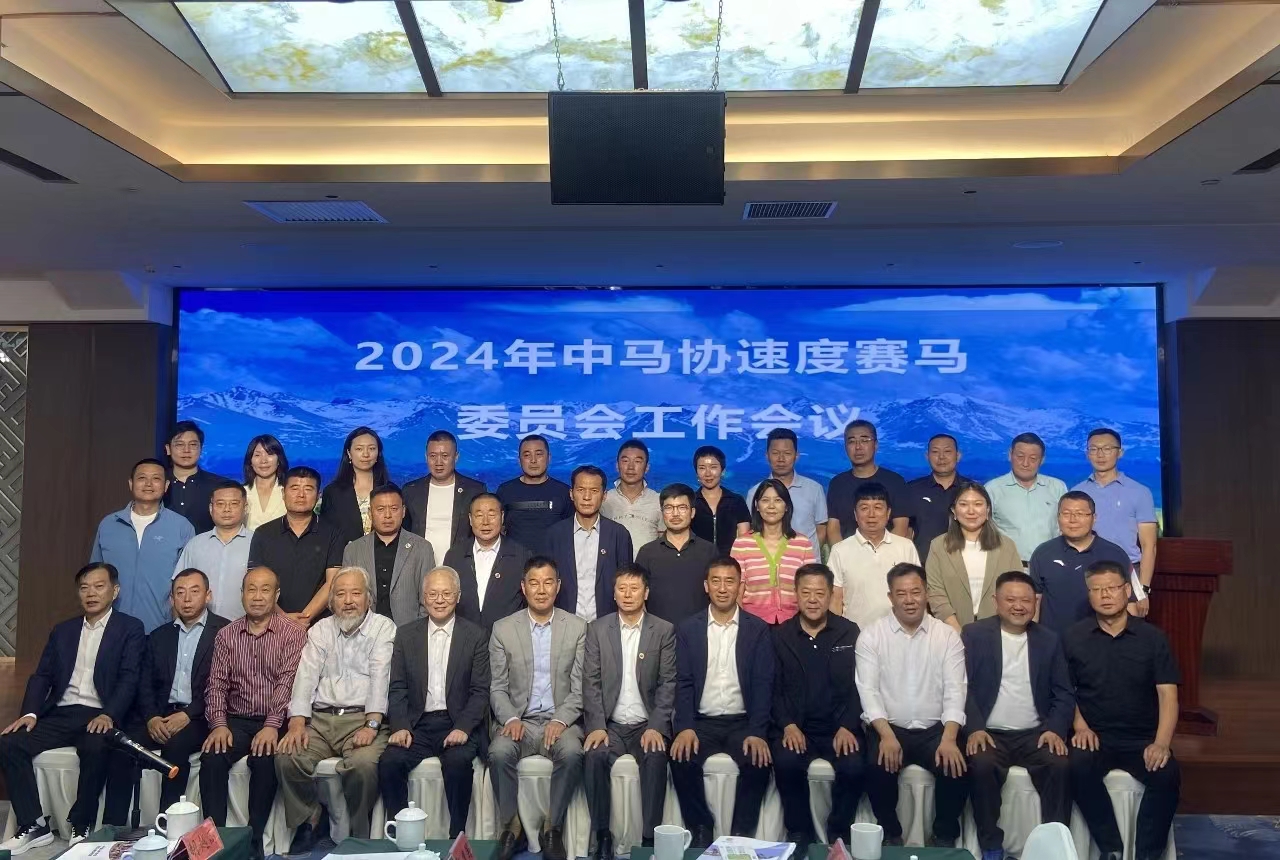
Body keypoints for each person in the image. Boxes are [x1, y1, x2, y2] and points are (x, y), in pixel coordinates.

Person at [0, 563, 145, 853]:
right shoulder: (63, 630)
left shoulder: (130, 628)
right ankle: (33, 825)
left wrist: (109, 714)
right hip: (62, 712)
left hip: (99, 713)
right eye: (84, 588)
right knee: (9, 742)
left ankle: (82, 823)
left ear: (115, 591)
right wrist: (30, 713)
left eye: (99, 586)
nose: (91, 593)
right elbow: (42, 675)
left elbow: (130, 678)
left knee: (96, 746)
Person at [1066, 561, 1180, 860]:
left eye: (1112, 588)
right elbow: (1066, 690)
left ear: (1127, 590)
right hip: (1095, 736)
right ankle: (1111, 848)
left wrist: (1161, 743)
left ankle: (1147, 854)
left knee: (1167, 775)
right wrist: (1080, 726)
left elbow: (1168, 694)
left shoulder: (1153, 638)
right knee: (1076, 767)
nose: (1105, 595)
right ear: (1089, 595)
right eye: (1097, 589)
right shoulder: (1073, 637)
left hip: (1142, 737)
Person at [276, 567, 396, 848]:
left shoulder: (383, 627)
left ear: (368, 598)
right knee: (287, 756)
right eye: (340, 594)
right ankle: (309, 819)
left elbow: (381, 676)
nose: (348, 601)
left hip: (361, 719)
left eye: (356, 593)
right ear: (331, 602)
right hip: (320, 720)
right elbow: (306, 676)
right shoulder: (320, 630)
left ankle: (358, 832)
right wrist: (297, 721)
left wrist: (372, 724)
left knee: (363, 765)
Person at [103, 569, 231, 826]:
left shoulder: (225, 632)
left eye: (194, 591)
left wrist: (188, 714)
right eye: (180, 593)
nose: (187, 599)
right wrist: (152, 717)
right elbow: (144, 684)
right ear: (172, 599)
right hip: (161, 715)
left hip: (200, 717)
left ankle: (168, 827)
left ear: (208, 595)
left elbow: (223, 685)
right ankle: (112, 827)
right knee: (123, 747)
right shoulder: (159, 636)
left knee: (176, 745)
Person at [962, 572, 1074, 860]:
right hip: (990, 733)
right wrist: (974, 727)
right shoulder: (974, 635)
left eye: (1026, 600)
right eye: (1010, 599)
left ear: (1035, 602)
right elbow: (962, 687)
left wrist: (1055, 729)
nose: (1019, 606)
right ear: (995, 601)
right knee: (981, 765)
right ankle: (991, 846)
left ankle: (1054, 845)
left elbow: (1063, 692)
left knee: (1060, 765)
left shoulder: (1049, 640)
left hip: (1035, 734)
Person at [855, 563, 968, 848]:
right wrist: (886, 735)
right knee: (876, 766)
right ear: (890, 597)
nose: (909, 600)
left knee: (956, 766)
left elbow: (956, 689)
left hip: (936, 729)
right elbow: (868, 691)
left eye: (916, 592)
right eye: (901, 593)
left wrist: (949, 738)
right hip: (889, 727)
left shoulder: (947, 636)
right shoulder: (871, 635)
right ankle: (890, 835)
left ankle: (944, 836)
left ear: (926, 593)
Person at [200, 567, 307, 860]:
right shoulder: (226, 635)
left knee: (265, 759)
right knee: (212, 756)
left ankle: (253, 841)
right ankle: (214, 841)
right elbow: (216, 685)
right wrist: (218, 724)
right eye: (251, 589)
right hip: (236, 720)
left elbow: (288, 683)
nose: (257, 596)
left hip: (277, 720)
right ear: (242, 594)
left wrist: (272, 725)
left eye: (265, 590)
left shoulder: (293, 633)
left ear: (276, 595)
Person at [670, 557, 774, 854]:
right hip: (702, 722)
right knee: (680, 758)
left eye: (730, 581)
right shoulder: (688, 629)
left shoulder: (758, 629)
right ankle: (701, 828)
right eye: (716, 581)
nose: (723, 588)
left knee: (759, 760)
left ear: (741, 586)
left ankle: (740, 834)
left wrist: (757, 731)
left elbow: (764, 683)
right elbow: (683, 682)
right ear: (706, 586)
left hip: (743, 722)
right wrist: (685, 726)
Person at [379, 566, 490, 839]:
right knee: (390, 762)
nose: (439, 600)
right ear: (423, 597)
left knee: (458, 763)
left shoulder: (475, 636)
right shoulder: (406, 635)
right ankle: (402, 834)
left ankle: (456, 837)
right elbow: (398, 687)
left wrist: (463, 728)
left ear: (458, 596)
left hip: (456, 723)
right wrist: (400, 726)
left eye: (446, 594)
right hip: (418, 724)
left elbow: (480, 691)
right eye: (433, 594)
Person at [488, 557, 588, 860]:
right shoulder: (503, 629)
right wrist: (511, 717)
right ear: (523, 587)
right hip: (520, 719)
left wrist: (561, 719)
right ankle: (512, 827)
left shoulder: (577, 627)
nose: (541, 590)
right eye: (534, 582)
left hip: (560, 721)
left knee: (572, 752)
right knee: (499, 752)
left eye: (548, 582)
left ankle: (552, 828)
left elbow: (580, 688)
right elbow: (497, 687)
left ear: (558, 586)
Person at [582, 564, 677, 859]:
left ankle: (649, 838)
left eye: (634, 588)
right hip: (610, 724)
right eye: (621, 588)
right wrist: (597, 725)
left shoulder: (663, 630)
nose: (627, 594)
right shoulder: (598, 629)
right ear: (613, 593)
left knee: (656, 756)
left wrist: (656, 726)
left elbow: (668, 684)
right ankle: (602, 836)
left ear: (645, 593)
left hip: (645, 724)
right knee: (594, 755)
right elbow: (590, 682)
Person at [771, 563, 865, 850]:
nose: (813, 600)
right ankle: (800, 833)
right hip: (797, 728)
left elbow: (862, 685)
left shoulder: (849, 632)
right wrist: (788, 725)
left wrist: (848, 725)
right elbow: (773, 688)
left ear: (830, 595)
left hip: (839, 727)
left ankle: (838, 832)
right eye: (806, 593)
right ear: (796, 594)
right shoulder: (780, 635)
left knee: (854, 767)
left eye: (820, 593)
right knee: (786, 763)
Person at [90, 458, 195, 632]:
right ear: (131, 484)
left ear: (166, 486)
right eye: (142, 478)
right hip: (111, 627)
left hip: (160, 628)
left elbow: (187, 582)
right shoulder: (109, 524)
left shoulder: (182, 527)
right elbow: (94, 576)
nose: (148, 484)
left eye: (156, 478)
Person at [1071, 429, 1158, 618]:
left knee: (1127, 630)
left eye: (1107, 449)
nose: (1100, 454)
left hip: (1126, 571)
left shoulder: (1140, 492)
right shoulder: (1077, 492)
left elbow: (1149, 546)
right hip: (1086, 570)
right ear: (1087, 453)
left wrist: (1143, 589)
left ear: (1120, 452)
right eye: (1094, 449)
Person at [247, 466, 344, 625]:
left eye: (308, 489)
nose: (301, 495)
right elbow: (255, 581)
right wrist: (283, 618)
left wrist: (305, 618)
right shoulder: (263, 533)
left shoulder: (333, 534)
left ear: (318, 495)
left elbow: (333, 582)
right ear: (283, 493)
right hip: (271, 623)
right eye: (294, 488)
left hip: (320, 625)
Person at [1029, 492, 1133, 636]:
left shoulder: (1115, 554)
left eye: (1080, 514)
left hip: (1101, 640)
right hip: (1054, 640)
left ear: (1094, 518)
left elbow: (1130, 603)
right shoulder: (1043, 553)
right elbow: (1034, 601)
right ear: (1058, 517)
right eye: (1066, 514)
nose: (1073, 520)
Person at [925, 481, 1022, 632]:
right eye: (963, 504)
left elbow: (1017, 590)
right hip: (951, 631)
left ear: (987, 510)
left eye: (978, 504)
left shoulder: (1006, 546)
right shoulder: (938, 546)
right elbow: (936, 594)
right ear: (954, 511)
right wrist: (957, 632)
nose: (971, 511)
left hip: (999, 630)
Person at [828, 482, 920, 630]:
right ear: (855, 514)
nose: (871, 514)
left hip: (901, 633)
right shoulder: (840, 550)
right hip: (855, 634)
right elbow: (835, 600)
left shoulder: (905, 547)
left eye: (878, 507)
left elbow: (917, 593)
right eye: (864, 508)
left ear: (888, 513)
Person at [547, 465, 633, 622]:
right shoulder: (555, 534)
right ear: (571, 494)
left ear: (604, 495)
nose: (587, 497)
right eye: (581, 490)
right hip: (564, 622)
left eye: (594, 491)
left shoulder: (618, 534)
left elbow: (626, 583)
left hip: (607, 623)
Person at [342, 483, 435, 626]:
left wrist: (416, 632)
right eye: (380, 509)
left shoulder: (422, 548)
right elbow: (345, 597)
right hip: (363, 631)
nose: (387, 515)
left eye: (394, 509)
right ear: (370, 513)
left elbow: (428, 598)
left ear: (403, 511)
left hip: (408, 631)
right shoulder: (353, 550)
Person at [732, 479, 816, 625]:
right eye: (765, 500)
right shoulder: (742, 544)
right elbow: (736, 590)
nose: (771, 506)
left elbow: (809, 587)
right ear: (757, 506)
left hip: (794, 624)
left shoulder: (802, 543)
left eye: (778, 500)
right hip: (753, 624)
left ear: (787, 506)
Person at [446, 492, 531, 631]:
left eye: (492, 515)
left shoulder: (521, 556)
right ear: (470, 519)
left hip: (508, 636)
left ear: (502, 517)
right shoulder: (455, 555)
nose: (485, 522)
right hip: (464, 636)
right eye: (479, 515)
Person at [635, 483, 718, 624]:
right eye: (669, 508)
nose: (675, 514)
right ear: (662, 513)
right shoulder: (647, 553)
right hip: (659, 633)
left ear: (692, 512)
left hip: (699, 631)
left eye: (682, 507)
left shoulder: (709, 551)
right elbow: (638, 597)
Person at [173, 480, 252, 620]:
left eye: (234, 504)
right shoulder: (195, 544)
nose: (227, 509)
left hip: (245, 627)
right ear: (211, 508)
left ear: (245, 508)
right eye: (220, 504)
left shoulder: (257, 543)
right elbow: (178, 588)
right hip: (200, 627)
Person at [985, 433, 1069, 564]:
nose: (1025, 463)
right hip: (1008, 566)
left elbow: (1066, 526)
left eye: (1033, 458)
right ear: (1010, 455)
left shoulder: (1057, 487)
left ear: (1042, 460)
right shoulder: (992, 489)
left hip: (1050, 565)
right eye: (1020, 456)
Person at [404, 430, 487, 562]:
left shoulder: (474, 490)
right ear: (426, 457)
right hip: (420, 565)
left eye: (445, 456)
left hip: (461, 565)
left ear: (456, 457)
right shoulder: (411, 491)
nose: (439, 462)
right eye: (433, 456)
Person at [826, 420, 912, 542]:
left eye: (864, 440)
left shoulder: (895, 481)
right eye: (852, 441)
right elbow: (833, 528)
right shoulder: (837, 483)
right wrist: (842, 552)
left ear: (876, 445)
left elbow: (901, 526)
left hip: (887, 552)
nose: (858, 447)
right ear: (845, 447)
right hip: (847, 552)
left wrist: (881, 552)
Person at [746, 428, 827, 551]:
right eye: (775, 453)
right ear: (767, 456)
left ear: (796, 455)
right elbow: (751, 530)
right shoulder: (755, 492)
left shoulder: (814, 489)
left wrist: (807, 554)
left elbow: (821, 529)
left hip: (806, 560)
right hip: (768, 559)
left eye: (787, 453)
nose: (781, 459)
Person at [496, 435, 572, 556]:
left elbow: (571, 533)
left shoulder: (564, 492)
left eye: (539, 454)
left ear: (549, 457)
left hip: (554, 562)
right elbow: (498, 529)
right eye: (527, 455)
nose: (533, 460)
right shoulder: (505, 490)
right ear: (519, 460)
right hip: (513, 561)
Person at [320, 426, 390, 545]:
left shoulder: (390, 491)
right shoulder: (332, 492)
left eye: (372, 448)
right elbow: (326, 533)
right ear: (349, 453)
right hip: (344, 555)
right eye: (359, 449)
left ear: (378, 453)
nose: (366, 454)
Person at [907, 434, 971, 563]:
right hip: (922, 565)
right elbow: (905, 530)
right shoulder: (911, 490)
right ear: (927, 456)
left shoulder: (972, 490)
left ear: (958, 456)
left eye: (947, 451)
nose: (941, 457)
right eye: (935, 452)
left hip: (965, 564)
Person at [163, 421, 233, 534]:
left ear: (201, 449)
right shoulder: (156, 483)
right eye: (179, 444)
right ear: (168, 449)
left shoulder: (220, 486)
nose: (186, 450)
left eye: (193, 445)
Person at [600, 440, 663, 556]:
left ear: (647, 467)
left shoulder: (658, 500)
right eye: (625, 461)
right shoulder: (604, 499)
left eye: (637, 461)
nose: (630, 467)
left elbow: (664, 541)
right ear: (617, 466)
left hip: (649, 566)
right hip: (612, 566)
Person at [690, 445, 751, 554]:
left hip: (730, 562)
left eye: (713, 467)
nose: (708, 473)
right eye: (702, 468)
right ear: (696, 473)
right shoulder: (690, 502)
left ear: (722, 471)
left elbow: (744, 538)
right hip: (697, 561)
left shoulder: (736, 501)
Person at [243, 434, 289, 530]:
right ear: (250, 461)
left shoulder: (290, 492)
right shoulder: (241, 492)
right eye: (257, 455)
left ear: (279, 459)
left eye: (270, 454)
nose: (263, 460)